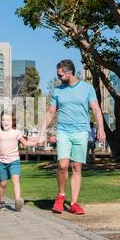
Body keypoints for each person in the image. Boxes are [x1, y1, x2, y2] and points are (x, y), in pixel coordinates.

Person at [38, 60, 106, 215]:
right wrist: (42, 132)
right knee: (62, 165)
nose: (58, 77)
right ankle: (61, 196)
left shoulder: (87, 88)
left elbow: (96, 109)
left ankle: (74, 203)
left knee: (76, 167)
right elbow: (50, 113)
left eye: (60, 75)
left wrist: (100, 129)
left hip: (81, 131)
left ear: (70, 73)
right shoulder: (57, 91)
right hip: (63, 131)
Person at [0, 111, 38, 212]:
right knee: (3, 184)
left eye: (8, 120)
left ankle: (17, 201)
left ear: (13, 121)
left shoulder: (16, 133)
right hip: (2, 162)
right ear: (1, 121)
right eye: (3, 120)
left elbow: (25, 142)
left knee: (15, 180)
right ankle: (1, 201)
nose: (5, 122)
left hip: (14, 161)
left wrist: (37, 142)